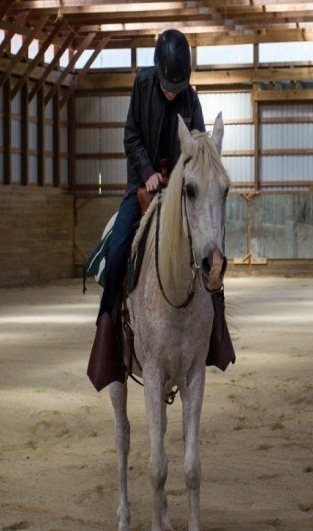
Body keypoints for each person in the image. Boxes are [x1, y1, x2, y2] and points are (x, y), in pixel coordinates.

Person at [86, 29, 234, 392]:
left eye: (177, 85)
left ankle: (215, 336)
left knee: (210, 259)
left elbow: (199, 153)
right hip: (141, 188)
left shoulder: (191, 101)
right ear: (158, 73)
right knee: (119, 249)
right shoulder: (142, 86)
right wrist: (147, 172)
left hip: (180, 198)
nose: (171, 91)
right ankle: (107, 337)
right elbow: (131, 136)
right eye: (168, 84)